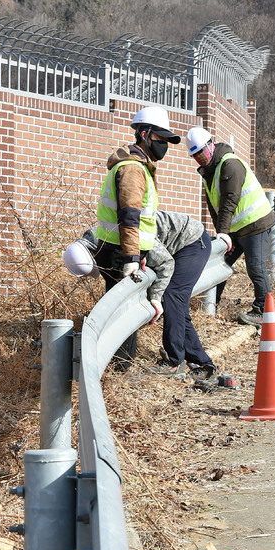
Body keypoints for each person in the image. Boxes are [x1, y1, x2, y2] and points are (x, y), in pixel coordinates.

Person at [65, 210, 217, 380]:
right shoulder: (98, 241)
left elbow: (165, 263)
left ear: (94, 254)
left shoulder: (127, 236)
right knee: (177, 307)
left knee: (173, 296)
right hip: (174, 243)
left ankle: (174, 361)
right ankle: (202, 362)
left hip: (192, 241)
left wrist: (155, 298)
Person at [93, 105, 181, 369]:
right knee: (124, 314)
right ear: (144, 134)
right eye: (161, 139)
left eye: (167, 141)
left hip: (123, 249)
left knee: (123, 311)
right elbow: (129, 218)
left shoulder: (140, 166)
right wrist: (131, 258)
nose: (164, 145)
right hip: (121, 252)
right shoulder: (133, 169)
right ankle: (117, 370)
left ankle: (116, 367)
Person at [185, 126, 275, 327]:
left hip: (256, 224)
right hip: (236, 229)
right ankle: (210, 305)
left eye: (201, 152)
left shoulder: (229, 165)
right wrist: (223, 234)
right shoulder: (210, 171)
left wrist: (222, 234)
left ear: (211, 144)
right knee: (218, 264)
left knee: (256, 268)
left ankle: (264, 312)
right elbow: (215, 207)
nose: (199, 157)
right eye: (195, 155)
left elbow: (229, 201)